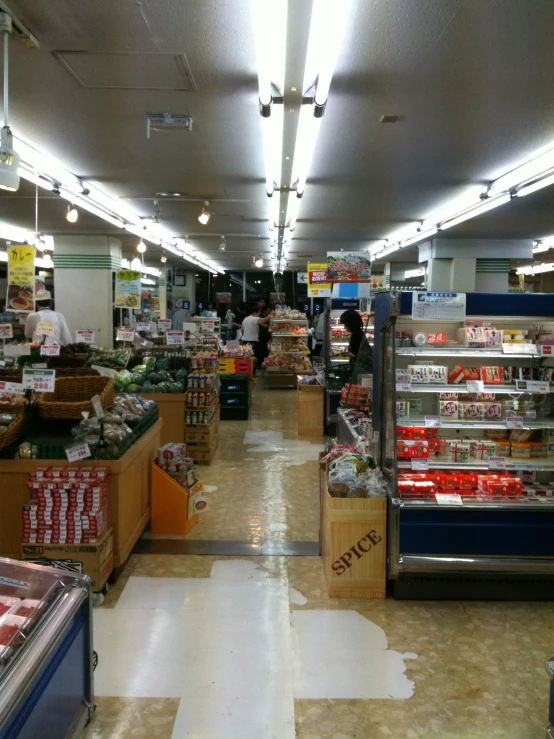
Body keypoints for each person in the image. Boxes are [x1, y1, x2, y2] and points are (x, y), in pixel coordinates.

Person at [241, 302, 270, 374]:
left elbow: (242, 330)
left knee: (246, 357)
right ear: (255, 313)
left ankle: (246, 371)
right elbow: (264, 320)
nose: (258, 315)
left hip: (245, 340)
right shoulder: (254, 319)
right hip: (253, 341)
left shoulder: (245, 319)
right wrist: (270, 316)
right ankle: (252, 372)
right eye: (258, 314)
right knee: (253, 358)